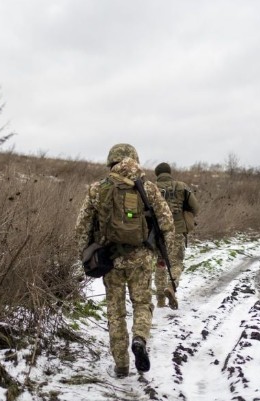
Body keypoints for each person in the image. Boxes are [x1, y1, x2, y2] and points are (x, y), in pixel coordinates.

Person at [75, 144, 175, 378]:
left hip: (110, 260)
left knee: (115, 311)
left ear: (111, 162)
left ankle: (121, 364)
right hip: (141, 260)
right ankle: (140, 339)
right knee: (142, 303)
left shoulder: (97, 189)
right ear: (135, 160)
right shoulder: (148, 188)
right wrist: (162, 255)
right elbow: (167, 223)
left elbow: (81, 228)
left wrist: (86, 257)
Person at [153, 162, 200, 310]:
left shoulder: (150, 187)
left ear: (157, 174)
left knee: (160, 264)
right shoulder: (182, 186)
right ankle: (171, 287)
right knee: (176, 263)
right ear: (169, 172)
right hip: (177, 230)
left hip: (157, 232)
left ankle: (160, 300)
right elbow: (196, 208)